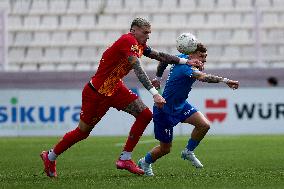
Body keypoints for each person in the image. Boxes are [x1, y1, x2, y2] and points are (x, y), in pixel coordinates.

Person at [40, 18, 204, 177]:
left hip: (115, 88)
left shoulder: (139, 44)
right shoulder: (127, 41)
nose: (148, 36)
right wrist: (155, 93)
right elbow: (137, 68)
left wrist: (184, 62)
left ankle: (125, 158)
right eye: (145, 32)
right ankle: (50, 156)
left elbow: (160, 55)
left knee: (145, 114)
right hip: (97, 93)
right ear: (134, 30)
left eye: (149, 33)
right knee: (82, 132)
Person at [138, 41, 239, 176]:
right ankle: (145, 162)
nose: (204, 60)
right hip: (164, 109)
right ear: (191, 53)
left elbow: (164, 60)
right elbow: (204, 77)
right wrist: (225, 81)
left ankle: (188, 151)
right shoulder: (186, 68)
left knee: (204, 125)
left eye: (205, 57)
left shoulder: (181, 58)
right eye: (201, 56)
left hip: (181, 105)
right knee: (165, 149)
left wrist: (158, 77)